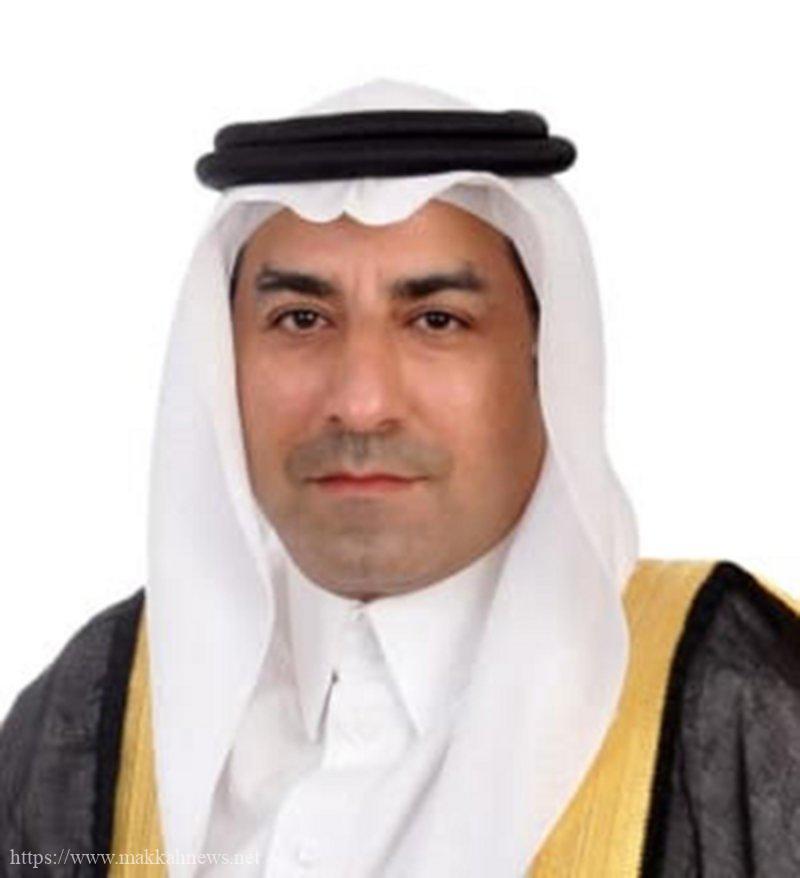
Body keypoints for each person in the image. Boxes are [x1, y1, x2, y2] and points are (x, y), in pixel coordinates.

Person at [2, 78, 800, 878]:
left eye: (437, 321)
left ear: (544, 359)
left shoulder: (732, 698)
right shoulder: (96, 710)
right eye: (300, 320)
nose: (361, 403)